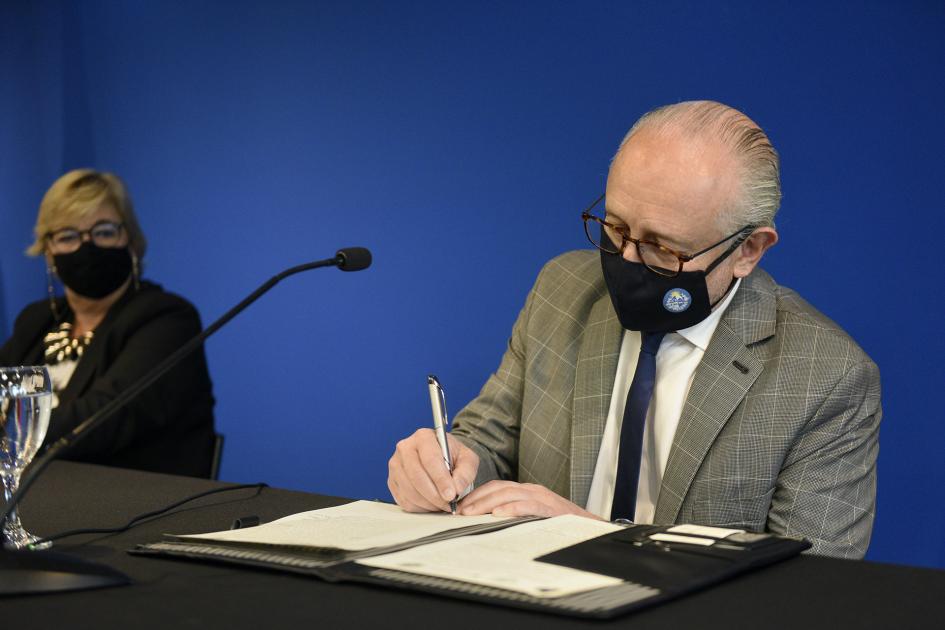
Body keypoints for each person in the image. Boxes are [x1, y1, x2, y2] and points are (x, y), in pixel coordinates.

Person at [387, 101, 882, 559]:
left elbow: (808, 588)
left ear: (748, 250)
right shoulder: (562, 292)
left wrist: (596, 540)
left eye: (663, 248)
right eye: (616, 228)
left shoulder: (826, 377)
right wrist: (448, 464)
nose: (625, 261)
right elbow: (490, 441)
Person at [0, 169, 216, 477]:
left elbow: (103, 419)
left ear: (128, 239)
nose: (87, 247)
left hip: (130, 507)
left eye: (103, 231)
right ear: (49, 252)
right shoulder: (37, 321)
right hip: (36, 500)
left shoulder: (168, 319)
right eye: (68, 236)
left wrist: (13, 433)